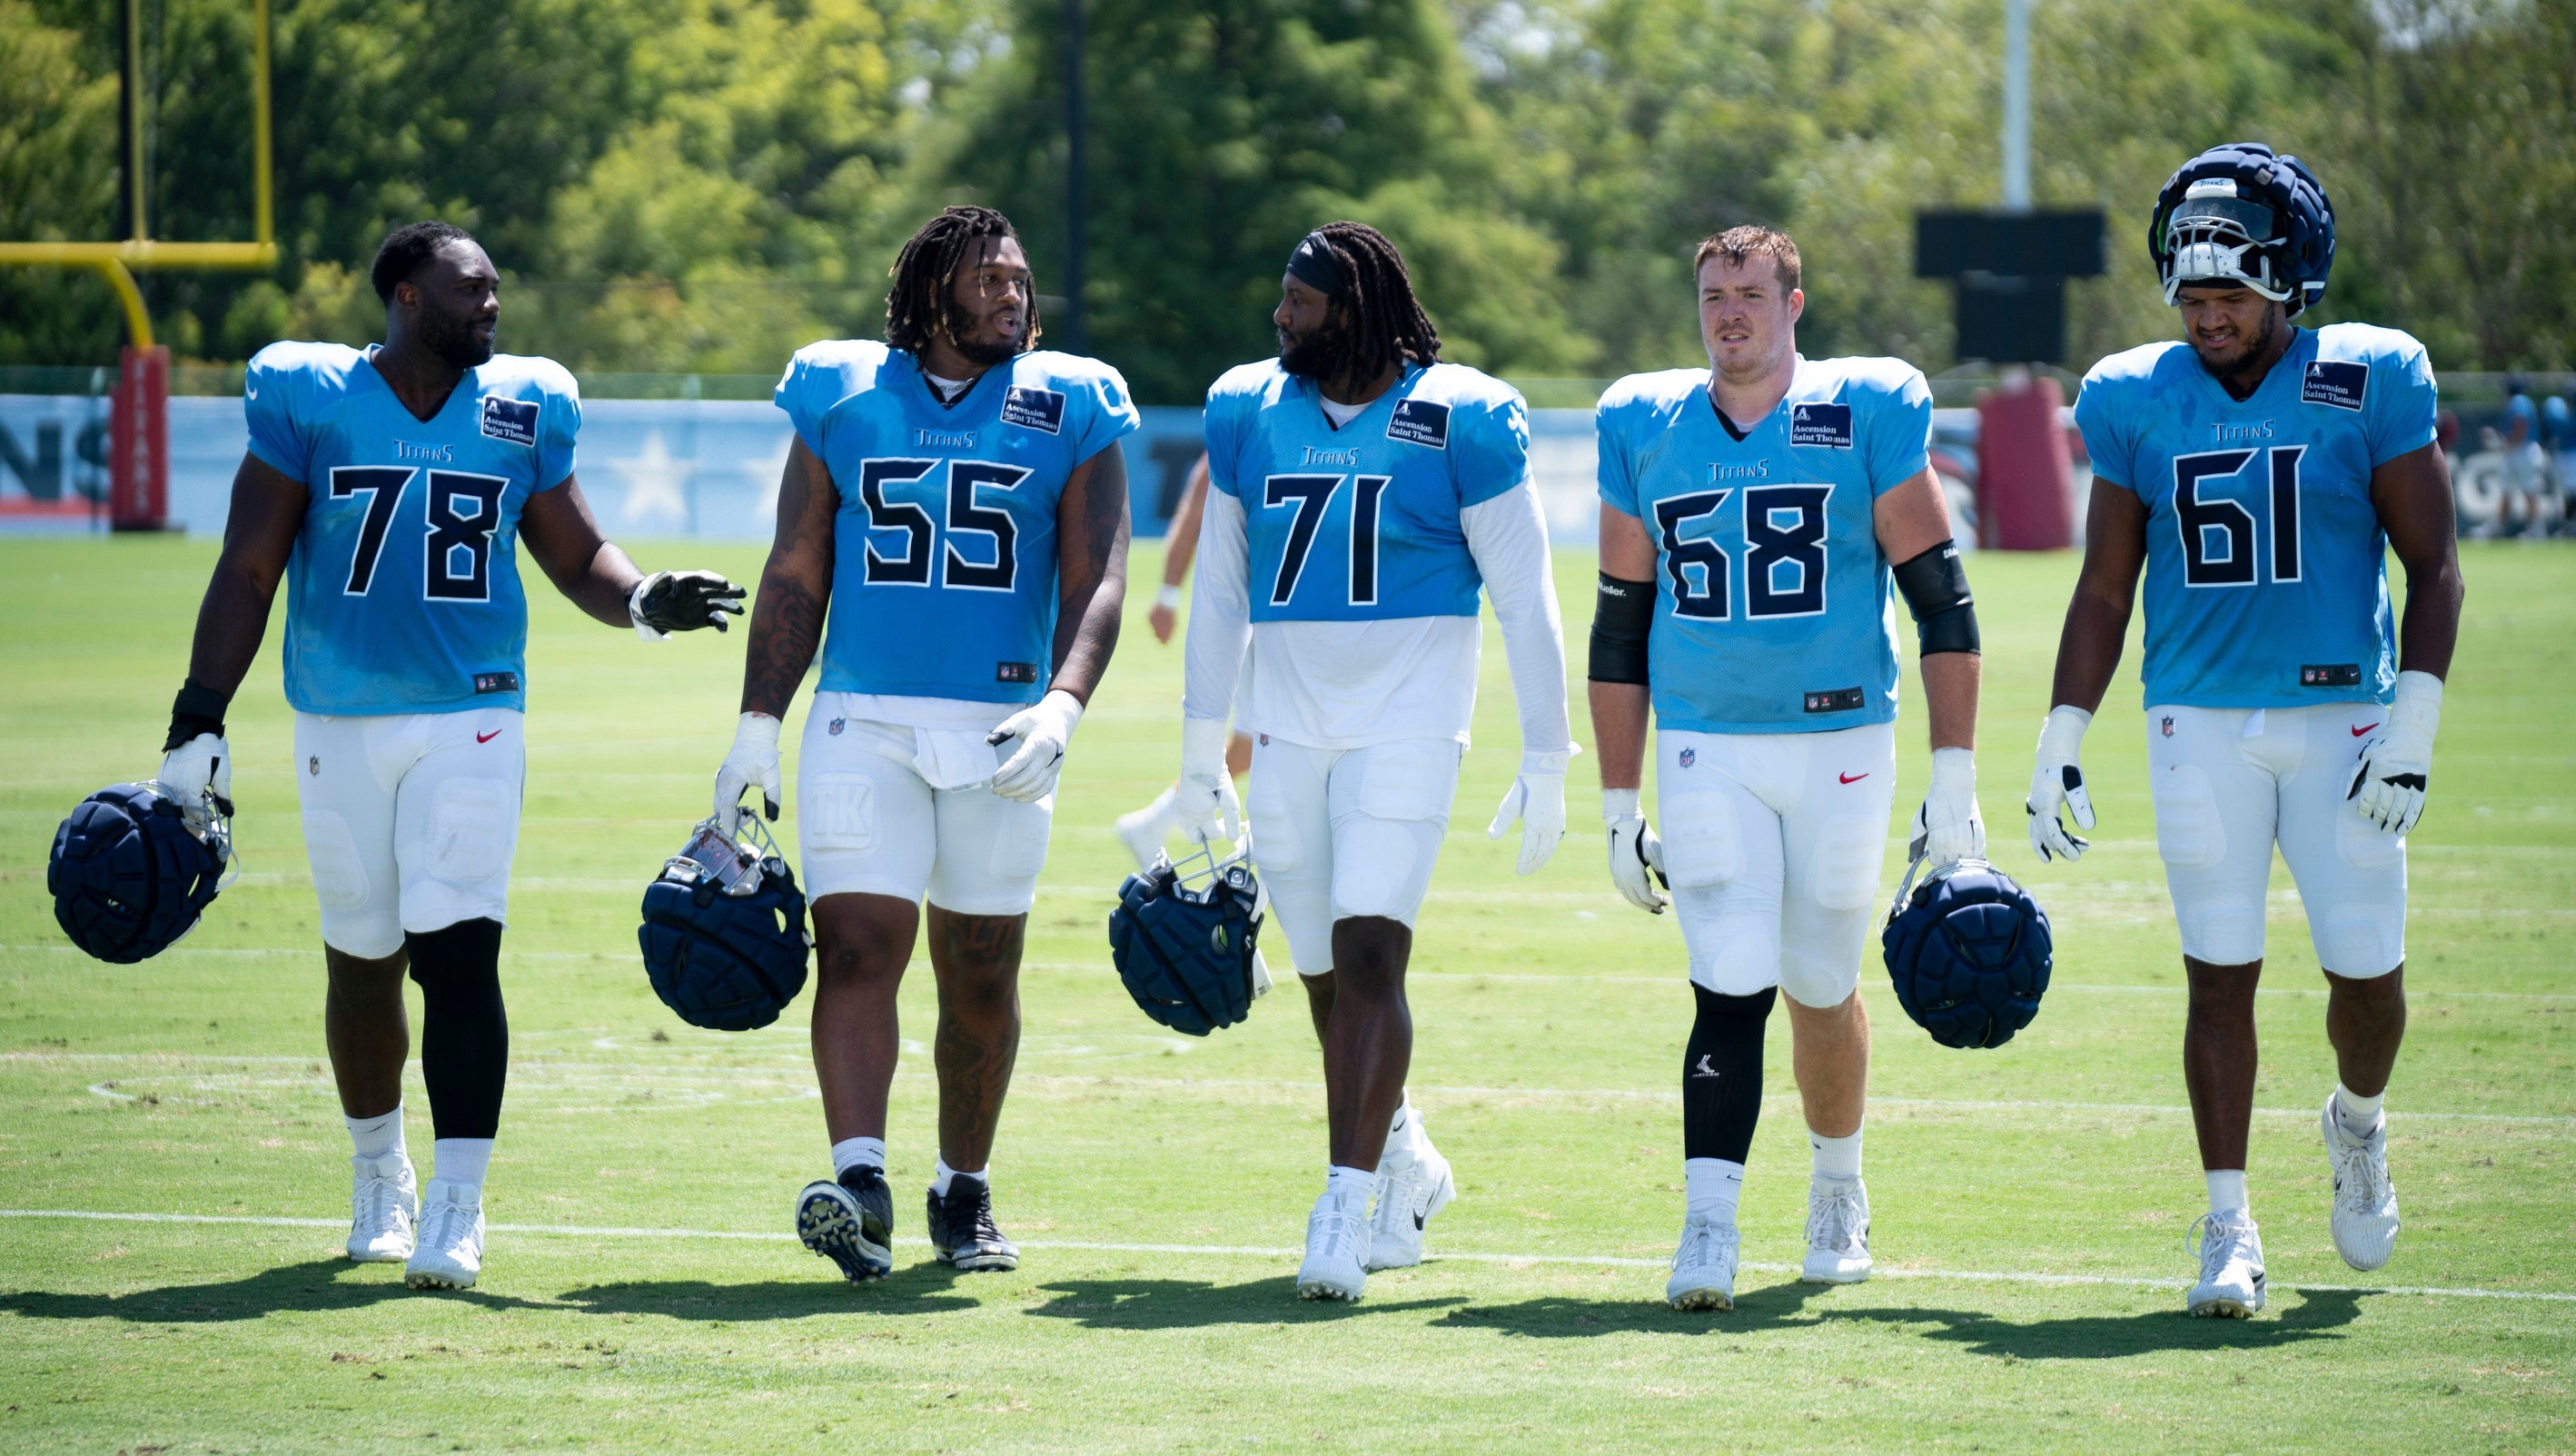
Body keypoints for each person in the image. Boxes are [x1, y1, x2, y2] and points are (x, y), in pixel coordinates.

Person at [153, 221, 744, 1291]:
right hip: (336, 718)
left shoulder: (523, 405)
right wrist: (199, 712)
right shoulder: (313, 396)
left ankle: (459, 1205)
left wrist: (646, 598)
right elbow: (249, 568)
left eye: (496, 289)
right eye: (469, 289)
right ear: (407, 297)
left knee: (459, 953)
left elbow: (577, 553)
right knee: (361, 957)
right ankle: (380, 1173)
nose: (492, 306)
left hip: (474, 714)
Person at [2028, 144, 2462, 1317]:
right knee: (2217, 975)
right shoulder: (2132, 393)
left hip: (2346, 715)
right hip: (2198, 720)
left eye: (2233, 294)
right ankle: (2228, 1219)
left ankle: (2357, 1121)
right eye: (2194, 295)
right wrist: (2064, 723)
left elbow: (2434, 565)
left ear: (2289, 285)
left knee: (2367, 977)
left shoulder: (2367, 377)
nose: (2210, 315)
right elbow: (2107, 585)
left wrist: (2413, 715)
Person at [715, 205, 1136, 1283]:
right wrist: (758, 723)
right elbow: (797, 567)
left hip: (1003, 727)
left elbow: (1098, 577)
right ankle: (860, 1185)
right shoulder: (842, 390)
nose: (1012, 294)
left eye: (1019, 277)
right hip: (865, 716)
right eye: (989, 278)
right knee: (856, 947)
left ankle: (963, 1187)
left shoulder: (1073, 400)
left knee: (981, 973)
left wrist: (1066, 703)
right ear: (931, 291)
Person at [1176, 222, 1571, 1302]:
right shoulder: (1251, 407)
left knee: (1366, 960)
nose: (1279, 318)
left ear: (1349, 312)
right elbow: (1218, 589)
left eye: (1299, 303)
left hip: (1409, 722)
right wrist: (1198, 750)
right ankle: (1403, 1157)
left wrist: (1549, 752)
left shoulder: (1462, 415)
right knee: (1319, 971)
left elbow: (1527, 599)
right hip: (1290, 730)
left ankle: (1341, 1209)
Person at [1590, 225, 1982, 1312]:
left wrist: (1954, 774)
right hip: (1706, 741)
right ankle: (1707, 1223)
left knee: (1819, 976)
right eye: (1713, 293)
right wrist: (1619, 801)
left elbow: (1940, 600)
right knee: (1726, 977)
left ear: (1793, 303)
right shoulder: (1644, 423)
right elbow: (1620, 627)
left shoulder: (1863, 408)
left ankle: (1837, 1187)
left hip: (1843, 738)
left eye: (1751, 293)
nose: (1729, 314)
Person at [1113, 454, 1255, 867]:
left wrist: (1169, 595)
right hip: (1264, 614)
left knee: (1252, 746)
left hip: (1271, 613)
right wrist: (1168, 595)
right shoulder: (1249, 425)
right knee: (1277, 741)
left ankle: (1152, 824)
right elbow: (1194, 510)